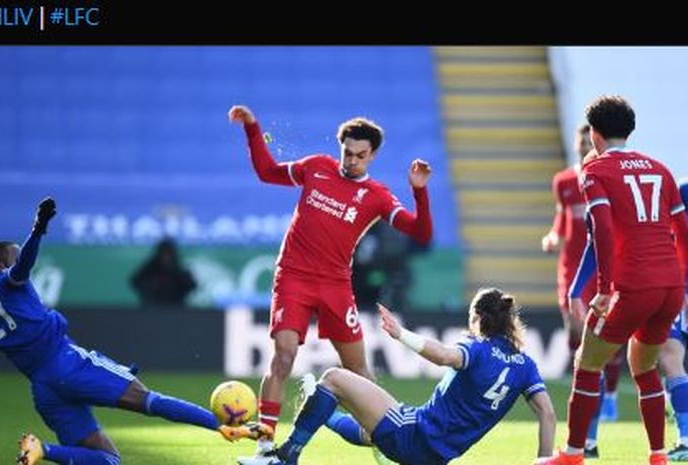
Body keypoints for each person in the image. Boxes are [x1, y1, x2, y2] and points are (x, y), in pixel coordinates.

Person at [227, 105, 433, 464]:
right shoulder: (317, 167)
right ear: (341, 148)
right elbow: (266, 171)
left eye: (360, 155)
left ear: (373, 155)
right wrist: (252, 128)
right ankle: (264, 449)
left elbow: (421, 232)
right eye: (348, 152)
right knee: (284, 356)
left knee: (359, 372)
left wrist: (419, 192)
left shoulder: (377, 195)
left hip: (336, 285)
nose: (352, 161)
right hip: (293, 276)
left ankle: (384, 443)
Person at [0, 199, 228, 465]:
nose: (19, 259)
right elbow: (21, 269)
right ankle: (221, 426)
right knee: (149, 400)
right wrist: (38, 229)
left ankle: (43, 450)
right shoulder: (5, 284)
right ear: (0, 265)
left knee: (107, 460)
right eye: (14, 255)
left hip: (43, 388)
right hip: (67, 363)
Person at [222, 288, 556, 465]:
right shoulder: (525, 365)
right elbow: (548, 413)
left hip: (415, 433)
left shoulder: (477, 349)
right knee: (370, 431)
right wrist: (544, 461)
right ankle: (322, 413)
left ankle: (286, 457)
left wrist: (400, 334)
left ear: (479, 318)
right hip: (436, 457)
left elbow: (442, 355)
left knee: (334, 378)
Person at [541, 96, 688, 465]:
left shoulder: (595, 171)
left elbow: (602, 231)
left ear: (594, 134)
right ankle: (658, 454)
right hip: (669, 287)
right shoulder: (660, 169)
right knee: (643, 366)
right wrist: (683, 286)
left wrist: (605, 290)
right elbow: (683, 232)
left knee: (586, 362)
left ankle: (574, 453)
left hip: (633, 286)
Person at [542, 124, 624, 429]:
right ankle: (590, 389)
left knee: (606, 337)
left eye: (586, 138)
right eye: (578, 138)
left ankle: (608, 397)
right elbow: (562, 217)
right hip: (570, 268)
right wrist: (553, 236)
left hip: (601, 267)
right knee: (576, 332)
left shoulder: (605, 177)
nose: (581, 143)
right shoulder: (563, 181)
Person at [659, 177, 688, 461]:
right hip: (679, 286)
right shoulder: (682, 190)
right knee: (669, 357)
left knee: (670, 358)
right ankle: (686, 437)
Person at [130, 237, 197, 307]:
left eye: (168, 254)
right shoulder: (150, 269)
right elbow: (135, 281)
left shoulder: (178, 270)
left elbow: (192, 285)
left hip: (175, 309)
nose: (166, 258)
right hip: (152, 308)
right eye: (164, 254)